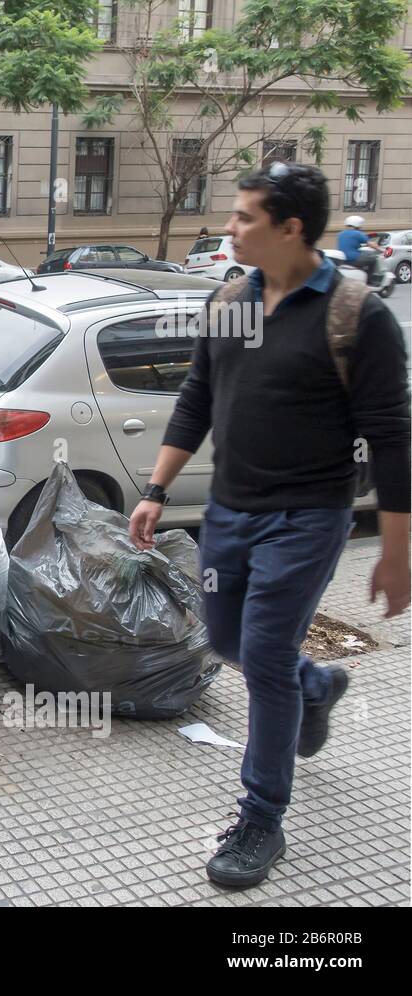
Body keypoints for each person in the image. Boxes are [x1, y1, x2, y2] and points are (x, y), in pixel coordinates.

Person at [128, 162, 410, 888]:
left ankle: (261, 818)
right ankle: (314, 687)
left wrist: (398, 554)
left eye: (246, 216)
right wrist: (156, 488)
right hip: (230, 510)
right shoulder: (231, 301)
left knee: (261, 652)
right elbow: (197, 397)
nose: (230, 226)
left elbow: (394, 439)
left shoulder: (357, 315)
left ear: (291, 228)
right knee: (226, 642)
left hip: (308, 517)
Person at [338, 215, 379, 283]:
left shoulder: (340, 234)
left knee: (364, 257)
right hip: (353, 258)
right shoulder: (358, 233)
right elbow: (371, 244)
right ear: (357, 225)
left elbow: (350, 243)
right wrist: (381, 249)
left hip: (342, 259)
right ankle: (369, 280)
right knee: (373, 259)